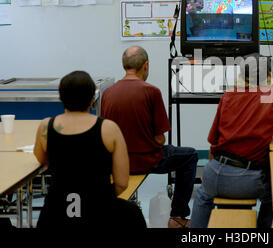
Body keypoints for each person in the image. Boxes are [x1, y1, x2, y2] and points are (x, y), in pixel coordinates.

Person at [189, 54, 273, 228]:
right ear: (268, 75)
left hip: (214, 174)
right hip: (248, 179)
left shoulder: (228, 95)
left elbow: (212, 140)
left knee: (202, 196)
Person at [34, 71, 146, 228]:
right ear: (92, 99)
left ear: (61, 98)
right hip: (100, 212)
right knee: (132, 213)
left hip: (56, 212)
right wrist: (98, 198)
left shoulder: (46, 127)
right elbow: (121, 183)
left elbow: (42, 161)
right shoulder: (109, 129)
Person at [101, 46, 198, 228]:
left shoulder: (108, 93)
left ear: (124, 65)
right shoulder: (151, 91)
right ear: (145, 66)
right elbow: (160, 139)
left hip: (117, 163)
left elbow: (105, 134)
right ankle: (178, 216)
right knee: (190, 156)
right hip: (148, 160)